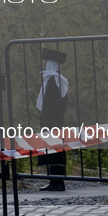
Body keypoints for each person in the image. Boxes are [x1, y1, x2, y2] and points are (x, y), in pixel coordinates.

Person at [36, 48, 69, 191]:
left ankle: (56, 182)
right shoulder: (57, 80)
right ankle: (55, 181)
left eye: (45, 62)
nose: (43, 65)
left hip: (52, 123)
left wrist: (46, 122)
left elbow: (50, 105)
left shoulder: (53, 81)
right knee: (55, 151)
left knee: (54, 151)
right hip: (56, 122)